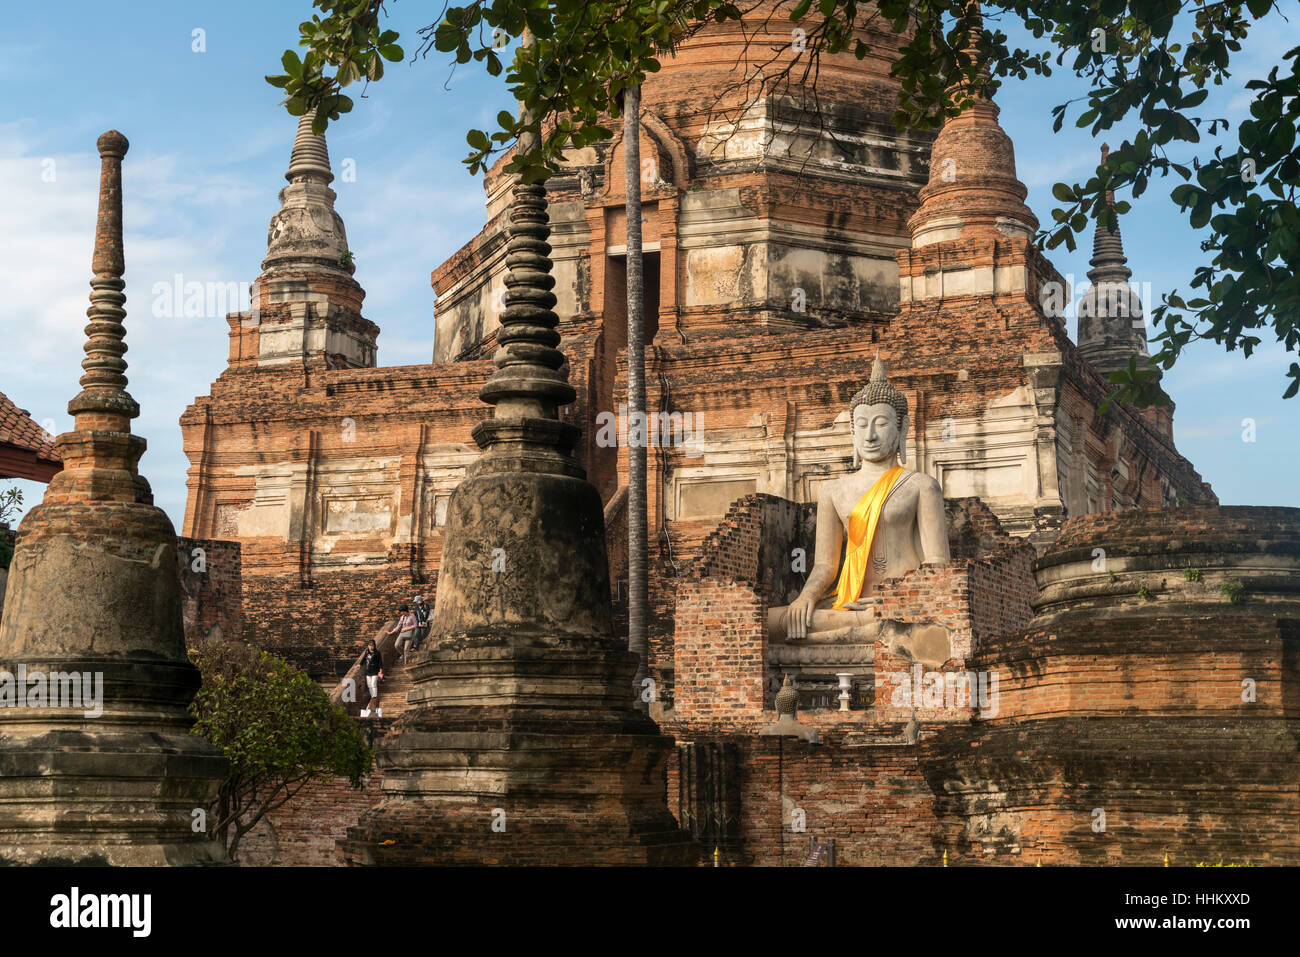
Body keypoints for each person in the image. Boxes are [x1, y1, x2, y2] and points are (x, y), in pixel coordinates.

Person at [361, 638, 384, 714]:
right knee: (369, 685)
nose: (371, 647)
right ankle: (372, 696)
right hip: (368, 671)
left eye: (372, 645)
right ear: (368, 646)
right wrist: (359, 665)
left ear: (374, 646)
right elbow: (364, 659)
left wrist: (380, 670)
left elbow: (380, 662)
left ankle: (374, 696)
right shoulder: (367, 652)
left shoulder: (377, 653)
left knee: (374, 683)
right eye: (370, 645)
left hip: (375, 671)